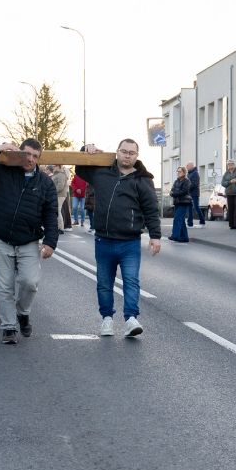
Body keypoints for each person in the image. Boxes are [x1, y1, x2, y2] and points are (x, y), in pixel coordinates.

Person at [0, 138, 58, 345]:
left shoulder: (45, 183)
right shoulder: (2, 171)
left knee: (30, 282)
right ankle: (8, 327)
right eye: (27, 154)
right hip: (0, 238)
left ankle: (22, 313)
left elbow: (51, 214)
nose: (30, 159)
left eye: (35, 156)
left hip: (28, 240)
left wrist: (50, 242)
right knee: (4, 286)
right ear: (19, 153)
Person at [77, 139, 162, 337]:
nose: (127, 155)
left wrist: (155, 236)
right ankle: (107, 319)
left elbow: (151, 209)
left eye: (132, 153)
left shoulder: (143, 180)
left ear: (137, 156)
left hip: (129, 242)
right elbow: (80, 169)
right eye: (124, 151)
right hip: (103, 240)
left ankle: (131, 319)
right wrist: (86, 149)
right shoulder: (102, 173)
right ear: (117, 152)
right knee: (104, 283)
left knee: (131, 281)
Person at [168, 167, 191, 242]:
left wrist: (174, 193)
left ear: (184, 172)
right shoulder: (176, 181)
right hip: (177, 202)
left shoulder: (187, 181)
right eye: (177, 171)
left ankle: (175, 235)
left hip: (184, 202)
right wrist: (173, 193)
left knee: (178, 219)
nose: (178, 173)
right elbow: (172, 190)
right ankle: (185, 237)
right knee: (180, 219)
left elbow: (184, 191)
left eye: (180, 171)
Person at [50, 164, 70, 232]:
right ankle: (59, 227)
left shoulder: (61, 174)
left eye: (55, 166)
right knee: (58, 211)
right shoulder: (57, 174)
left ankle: (60, 228)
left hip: (60, 195)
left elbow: (60, 186)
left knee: (58, 211)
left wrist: (52, 191)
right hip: (58, 195)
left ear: (59, 166)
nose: (53, 167)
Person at [186, 160, 204, 227]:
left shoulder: (195, 173)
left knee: (196, 207)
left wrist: (187, 187)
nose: (186, 167)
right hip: (189, 194)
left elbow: (195, 184)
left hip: (194, 194)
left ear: (191, 166)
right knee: (189, 208)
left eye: (187, 166)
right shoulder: (189, 174)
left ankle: (202, 220)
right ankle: (190, 223)